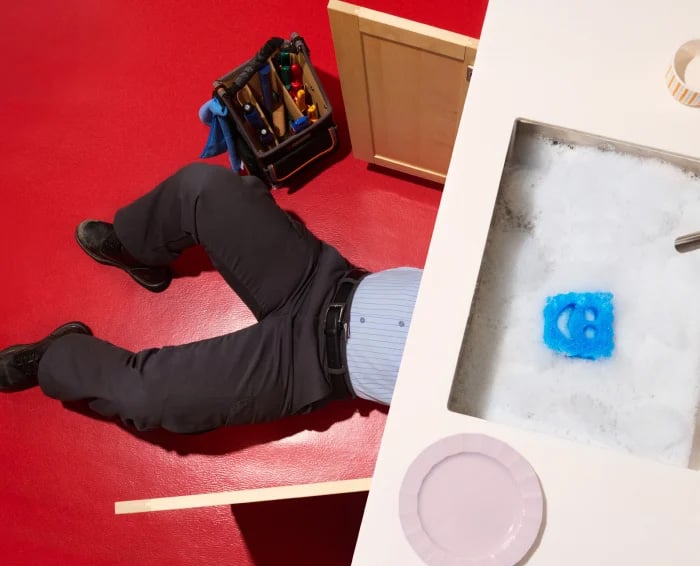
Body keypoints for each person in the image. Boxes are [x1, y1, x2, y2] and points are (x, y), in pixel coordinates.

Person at [0, 163, 421, 433]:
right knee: (204, 188)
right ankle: (137, 249)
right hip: (325, 278)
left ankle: (53, 359)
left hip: (305, 367)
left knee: (148, 397)